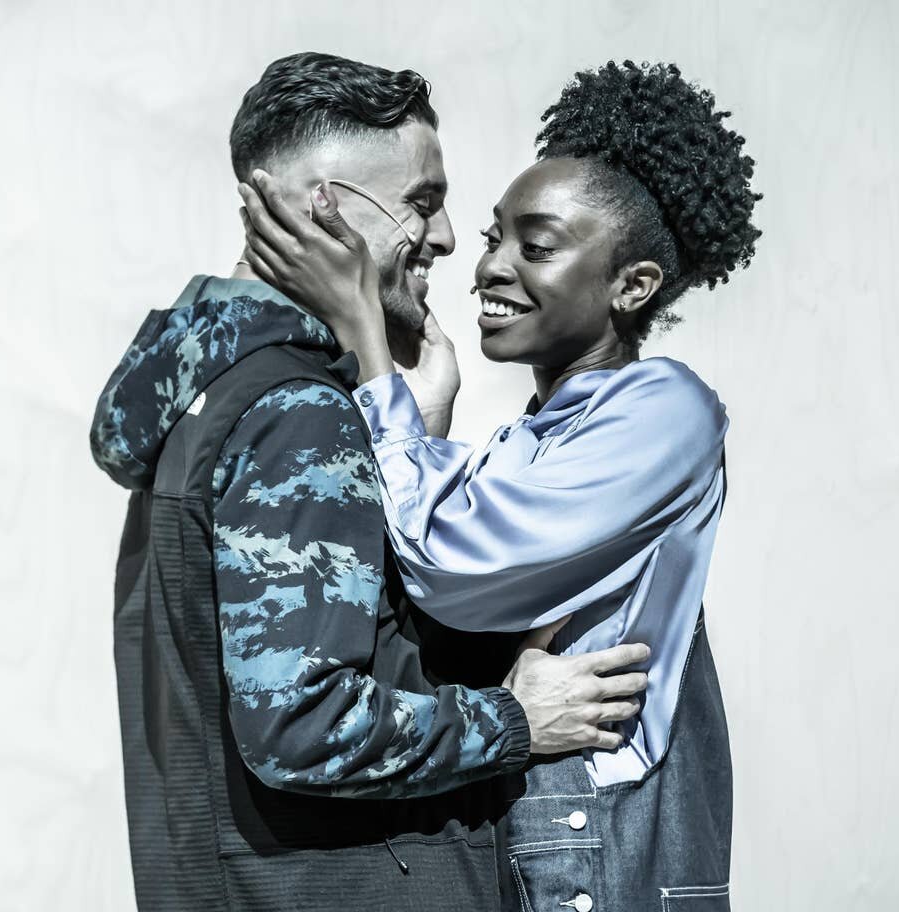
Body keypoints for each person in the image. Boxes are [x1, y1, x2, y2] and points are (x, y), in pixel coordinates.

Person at [89, 53, 652, 912]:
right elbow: (302, 726)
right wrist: (514, 719)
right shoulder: (297, 413)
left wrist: (415, 439)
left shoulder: (215, 393)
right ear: (326, 209)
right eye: (422, 202)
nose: (448, 237)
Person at [239, 60, 760, 911]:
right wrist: (428, 421)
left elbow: (452, 563)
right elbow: (430, 586)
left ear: (633, 286)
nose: (488, 267)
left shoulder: (667, 410)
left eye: (537, 247)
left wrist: (369, 350)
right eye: (493, 238)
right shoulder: (528, 440)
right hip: (532, 824)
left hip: (601, 839)